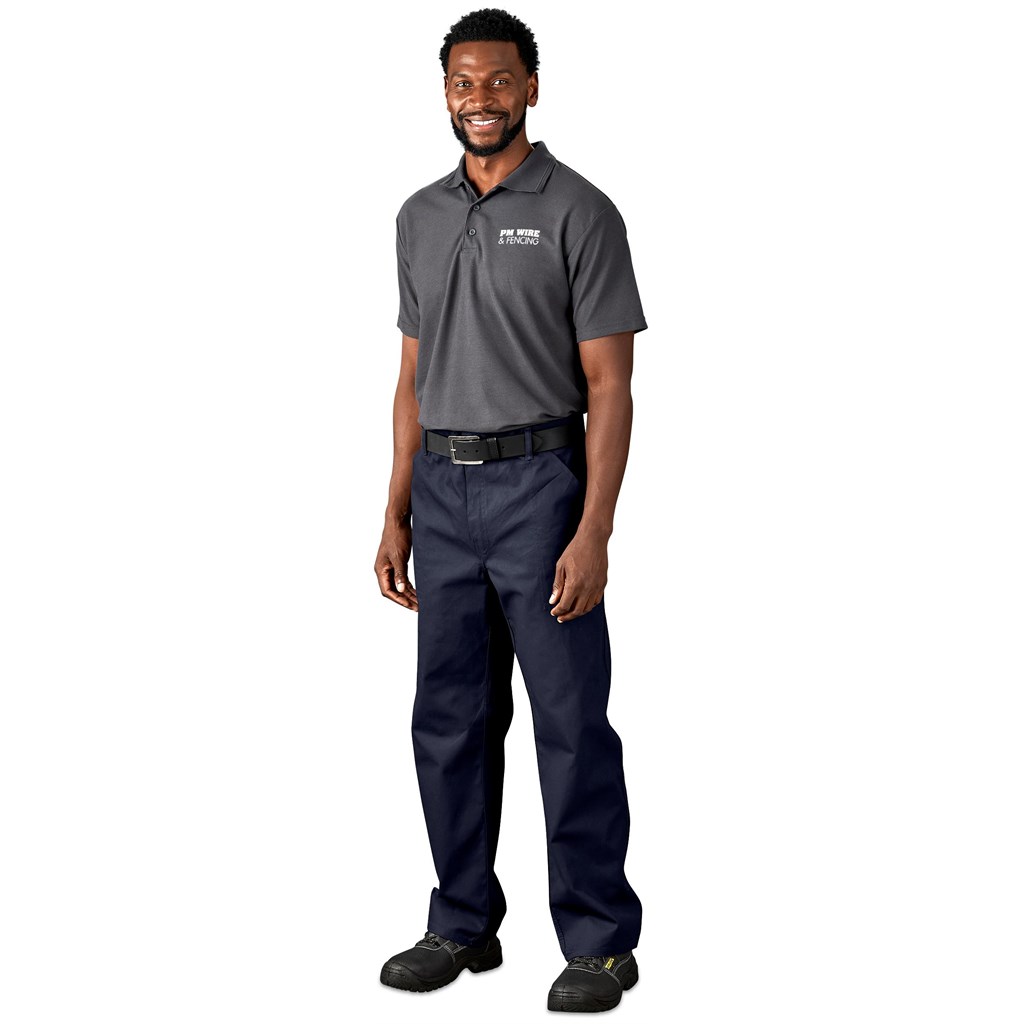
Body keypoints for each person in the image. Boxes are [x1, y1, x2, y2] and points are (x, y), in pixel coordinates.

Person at [374, 8, 648, 1013]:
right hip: (442, 490)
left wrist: (594, 529)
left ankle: (600, 942)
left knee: (569, 722)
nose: (479, 99)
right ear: (445, 93)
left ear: (531, 87)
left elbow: (611, 386)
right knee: (448, 720)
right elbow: (412, 374)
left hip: (541, 485)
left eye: (497, 81)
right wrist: (396, 508)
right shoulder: (418, 216)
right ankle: (461, 921)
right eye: (463, 83)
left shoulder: (581, 211)